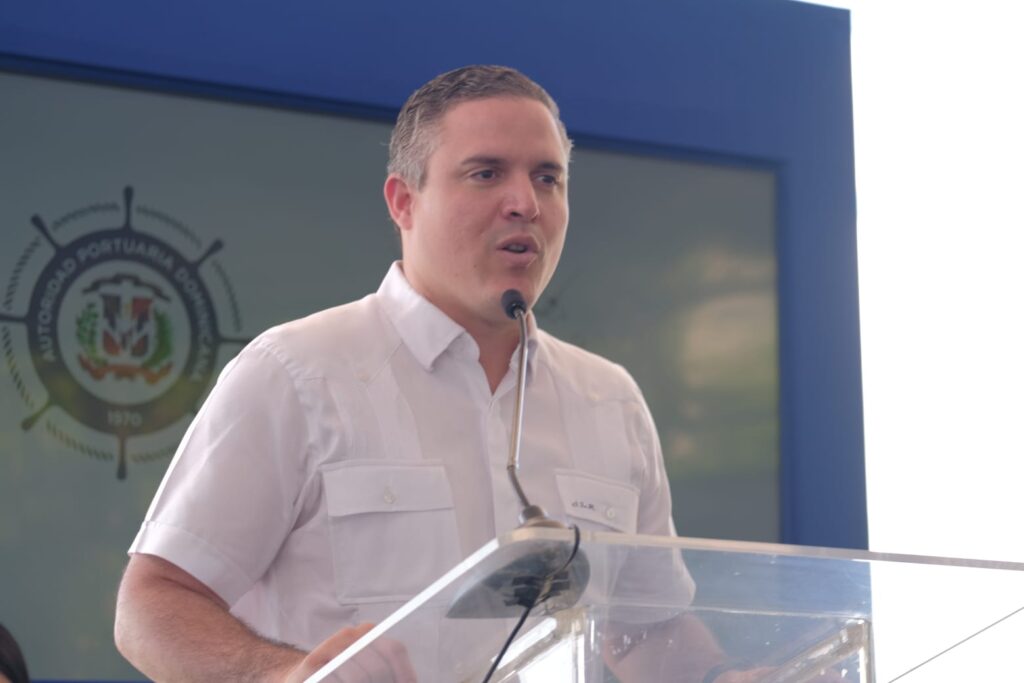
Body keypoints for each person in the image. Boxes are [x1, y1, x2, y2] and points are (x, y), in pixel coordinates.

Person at [114, 64, 759, 682]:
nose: (525, 203)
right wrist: (285, 674)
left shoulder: (609, 399)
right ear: (404, 202)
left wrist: (722, 676)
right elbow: (149, 606)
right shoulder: (296, 374)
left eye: (547, 178)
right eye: (486, 173)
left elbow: (642, 631)